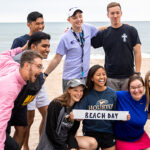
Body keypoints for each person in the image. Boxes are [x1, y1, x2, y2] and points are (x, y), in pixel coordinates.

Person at [7, 31, 50, 150]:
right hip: (7, 103)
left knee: (22, 128)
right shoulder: (16, 63)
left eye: (49, 46)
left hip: (21, 103)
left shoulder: (37, 66)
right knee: (5, 136)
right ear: (33, 47)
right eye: (44, 46)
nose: (48, 49)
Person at [44, 7, 98, 92]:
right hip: (70, 77)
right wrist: (45, 74)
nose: (78, 19)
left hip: (85, 77)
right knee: (69, 105)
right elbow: (57, 58)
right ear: (69, 20)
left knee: (84, 104)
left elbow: (100, 30)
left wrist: (120, 26)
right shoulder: (65, 37)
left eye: (80, 16)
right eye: (74, 17)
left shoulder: (88, 28)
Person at [91, 2, 142, 91]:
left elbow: (137, 52)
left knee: (126, 103)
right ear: (108, 15)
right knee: (113, 104)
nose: (115, 15)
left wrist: (137, 73)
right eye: (112, 13)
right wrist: (100, 28)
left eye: (117, 13)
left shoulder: (131, 30)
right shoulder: (104, 33)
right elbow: (89, 40)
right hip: (110, 77)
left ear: (121, 13)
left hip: (129, 76)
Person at [37, 78, 98, 150]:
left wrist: (73, 147)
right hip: (51, 144)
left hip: (65, 140)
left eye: (81, 90)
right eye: (75, 90)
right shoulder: (56, 104)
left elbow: (72, 133)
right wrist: (64, 148)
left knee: (93, 143)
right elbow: (50, 131)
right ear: (69, 90)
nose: (79, 94)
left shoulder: (77, 107)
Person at [0, 48, 43, 150]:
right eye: (38, 66)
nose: (41, 71)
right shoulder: (11, 87)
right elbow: (1, 121)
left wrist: (21, 49)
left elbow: (4, 55)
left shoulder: (13, 66)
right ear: (27, 65)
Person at [74, 65, 117, 150]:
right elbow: (78, 114)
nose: (102, 77)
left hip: (108, 132)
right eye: (98, 75)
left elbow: (115, 114)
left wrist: (123, 117)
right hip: (90, 133)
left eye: (104, 74)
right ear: (91, 78)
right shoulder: (86, 94)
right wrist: (77, 117)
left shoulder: (112, 93)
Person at [115, 75, 150, 150]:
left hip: (140, 137)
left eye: (139, 86)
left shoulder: (147, 99)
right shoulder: (120, 95)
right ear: (128, 89)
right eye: (133, 88)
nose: (136, 90)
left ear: (144, 87)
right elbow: (104, 94)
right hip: (122, 139)